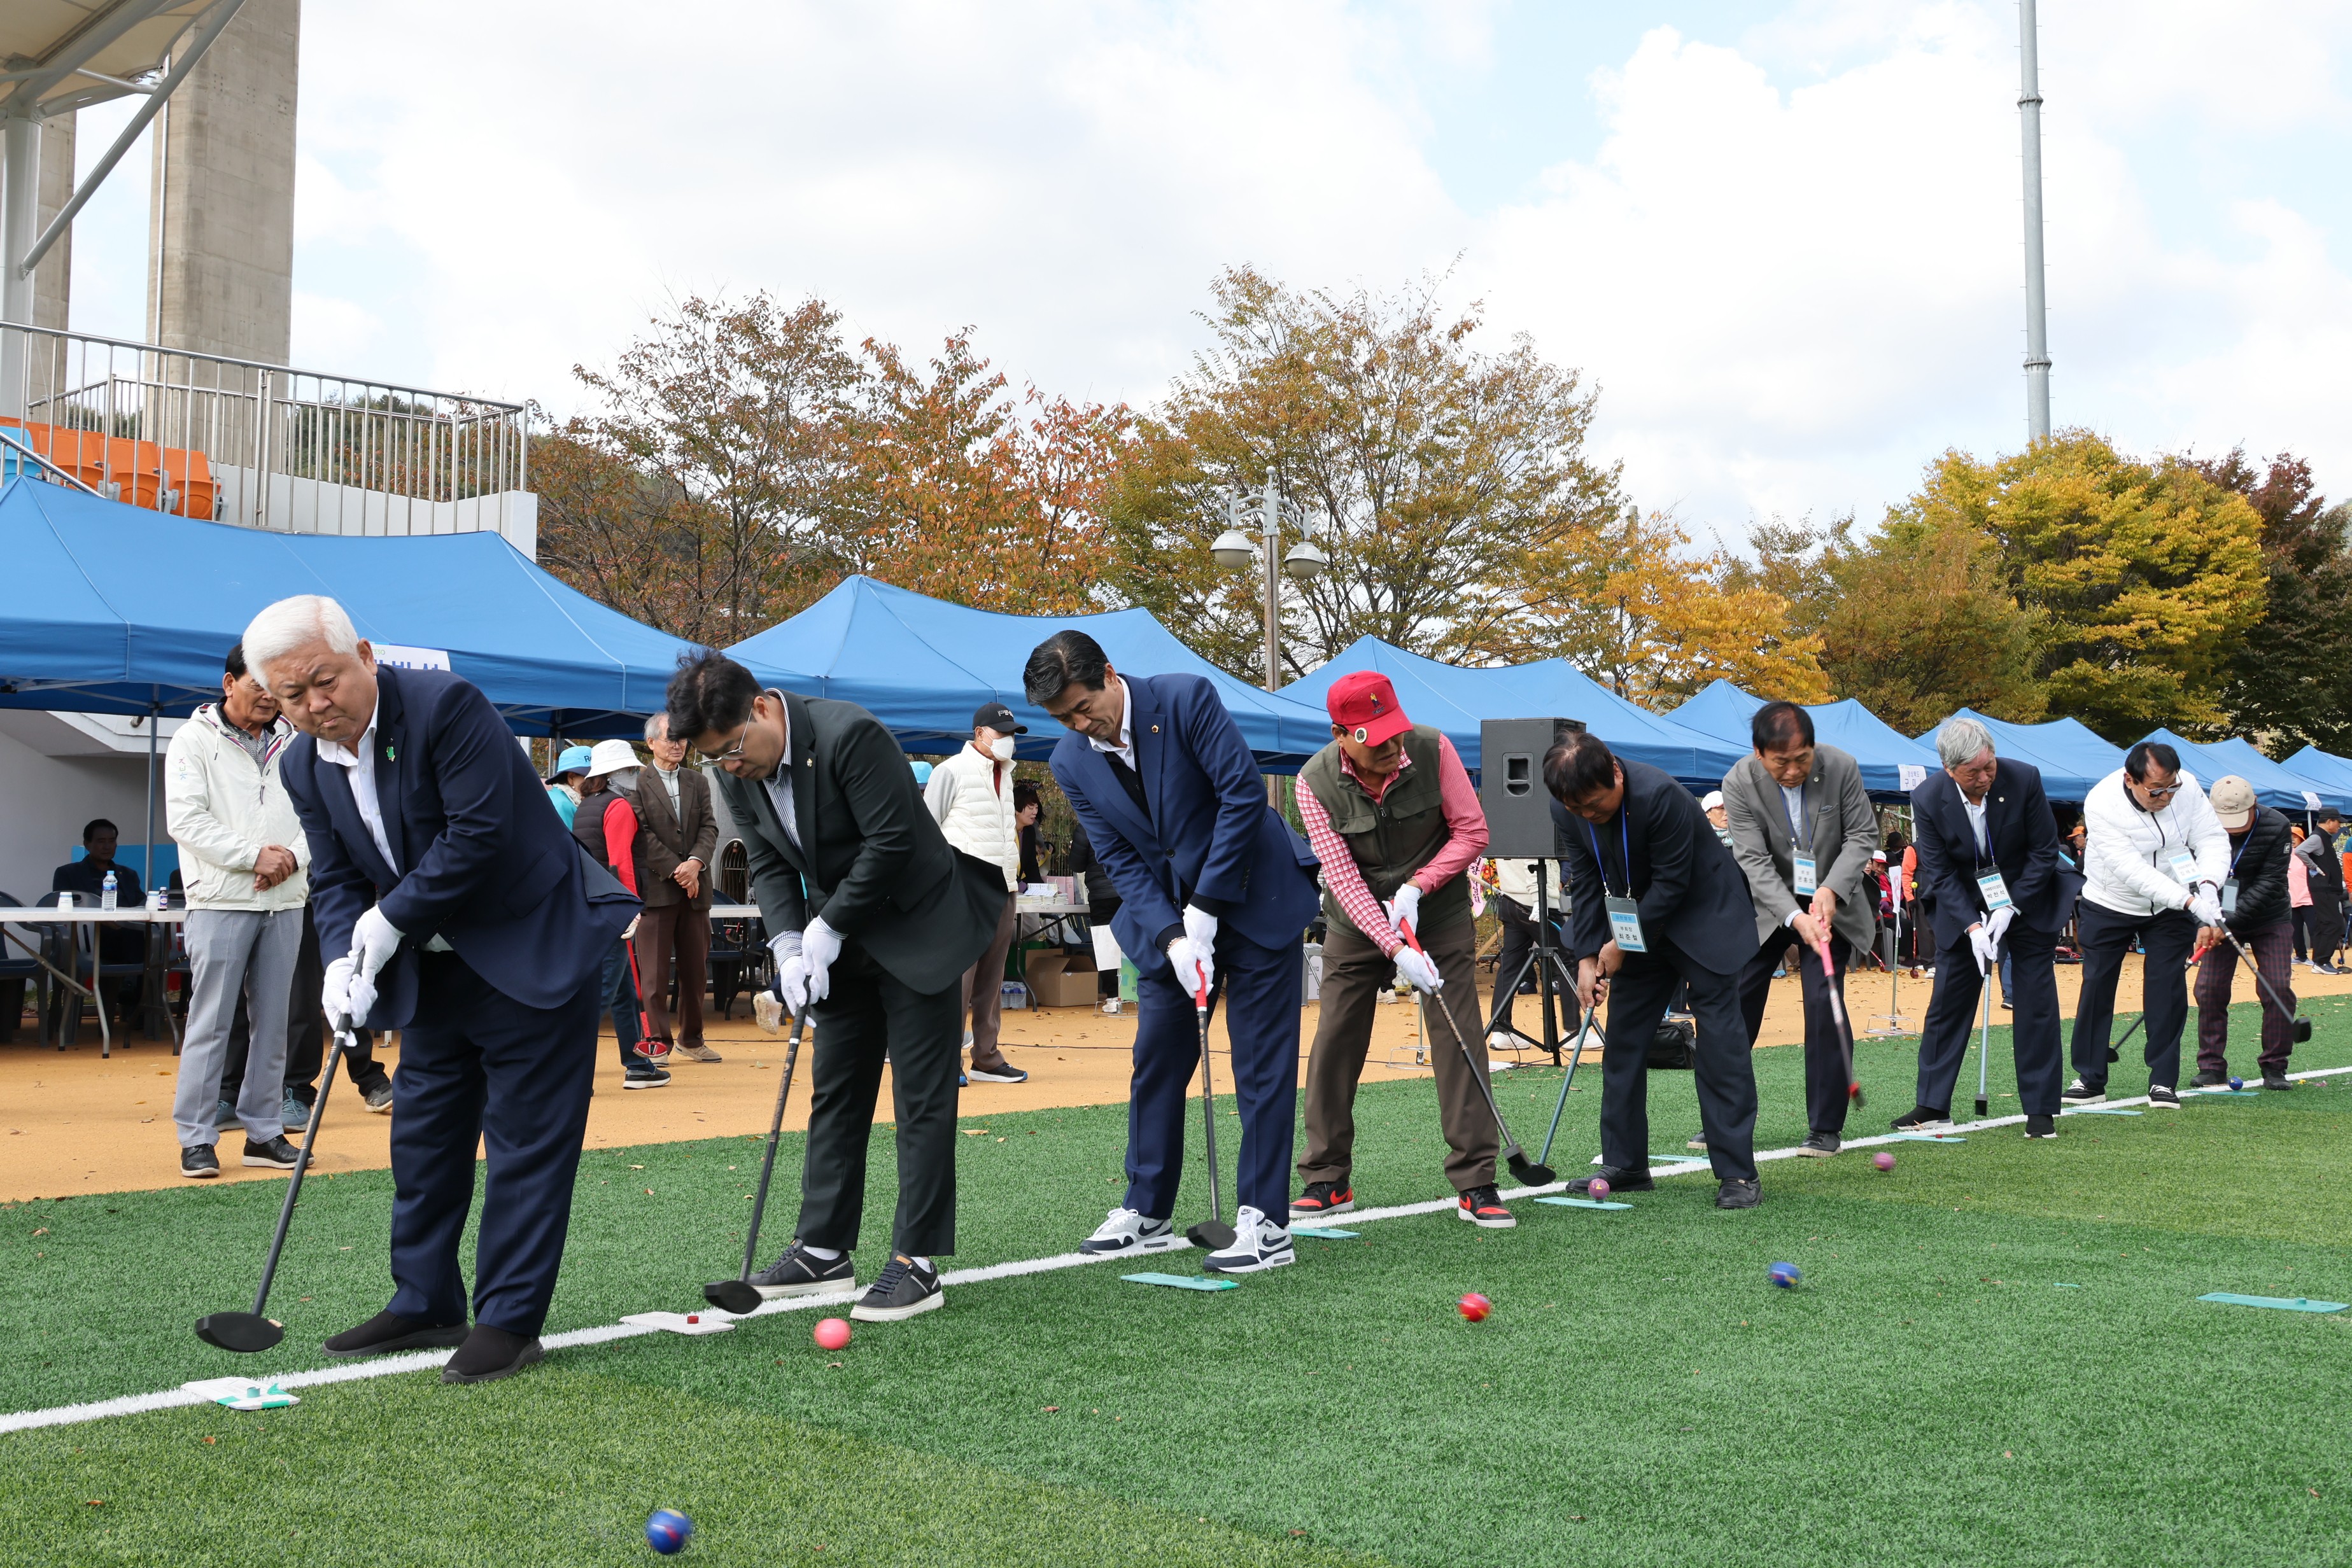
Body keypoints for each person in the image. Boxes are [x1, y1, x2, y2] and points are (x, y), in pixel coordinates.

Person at [257, 594, 638, 1383]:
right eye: (292, 697)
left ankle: (510, 1319)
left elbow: (477, 835)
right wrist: (341, 959)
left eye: (324, 681)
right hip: (434, 970)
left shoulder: (446, 707)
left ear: (363, 654)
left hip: (530, 945)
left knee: (527, 1141)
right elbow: (332, 876)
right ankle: (425, 1297)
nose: (315, 706)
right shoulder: (299, 761)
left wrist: (388, 921)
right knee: (424, 1137)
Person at [669, 651, 1005, 1322]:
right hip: (839, 938)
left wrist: (826, 926)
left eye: (734, 749)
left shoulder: (851, 734)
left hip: (919, 925)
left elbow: (892, 842)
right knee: (837, 1086)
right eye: (716, 760)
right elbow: (764, 858)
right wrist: (790, 944)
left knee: (922, 1093)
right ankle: (822, 1247)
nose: (732, 767)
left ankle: (919, 1258)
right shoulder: (736, 771)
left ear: (763, 707)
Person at [1026, 629, 1320, 1271]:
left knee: (1259, 1065)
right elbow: (1121, 859)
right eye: (1062, 719)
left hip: (1256, 901)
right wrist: (1173, 934)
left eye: (1082, 709)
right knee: (1157, 1060)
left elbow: (1242, 797)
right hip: (1167, 923)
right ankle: (1147, 1207)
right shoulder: (1070, 760)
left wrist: (1207, 908)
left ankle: (1265, 1223)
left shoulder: (1185, 700)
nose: (1080, 726)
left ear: (1108, 674)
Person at [1290, 673, 1503, 1224]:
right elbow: (1340, 876)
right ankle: (1326, 1177)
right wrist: (1392, 945)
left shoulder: (1432, 749)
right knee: (1335, 1037)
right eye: (1374, 738)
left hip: (1438, 911)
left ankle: (1477, 1180)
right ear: (1342, 735)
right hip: (1354, 922)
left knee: (1458, 1037)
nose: (1391, 747)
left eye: (1395, 733)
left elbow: (1471, 832)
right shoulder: (1311, 782)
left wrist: (1417, 886)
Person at [1547, 731, 1764, 1208]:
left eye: (1594, 804)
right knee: (1623, 1040)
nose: (1586, 815)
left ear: (1617, 774)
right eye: (1575, 808)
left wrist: (1619, 946)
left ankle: (1737, 1174)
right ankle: (1626, 1164)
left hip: (1702, 917)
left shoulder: (1661, 795)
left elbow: (1671, 884)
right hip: (1636, 923)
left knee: (1720, 1044)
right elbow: (1582, 880)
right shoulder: (1567, 807)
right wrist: (1585, 956)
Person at [162, 643, 313, 1179]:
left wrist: (292, 856)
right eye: (257, 687)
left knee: (275, 1025)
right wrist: (254, 856)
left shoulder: (299, 743)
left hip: (284, 899)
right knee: (212, 1022)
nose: (270, 698)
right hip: (221, 898)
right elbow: (185, 819)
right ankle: (197, 1138)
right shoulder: (191, 740)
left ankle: (264, 1131)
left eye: (276, 689)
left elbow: (321, 812)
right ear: (229, 684)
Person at [1720, 702, 1879, 1157]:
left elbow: (1861, 836)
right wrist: (1794, 915)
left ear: (1813, 748)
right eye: (1780, 762)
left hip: (1832, 904)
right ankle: (1724, 1117)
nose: (1792, 771)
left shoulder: (1841, 767)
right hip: (1766, 909)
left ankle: (1825, 1126)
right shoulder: (1737, 782)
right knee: (1732, 1002)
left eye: (1801, 759)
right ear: (1758, 753)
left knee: (1821, 999)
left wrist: (1829, 891)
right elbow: (1750, 859)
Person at [1903, 717, 2075, 1135]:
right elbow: (1939, 872)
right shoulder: (1926, 798)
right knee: (1947, 1000)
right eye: (1972, 773)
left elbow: (2041, 852)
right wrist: (1972, 928)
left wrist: (2009, 908)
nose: (1984, 778)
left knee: (2034, 1001)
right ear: (1948, 769)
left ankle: (2039, 1109)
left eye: (1989, 767)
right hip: (1962, 902)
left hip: (2025, 897)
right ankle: (1931, 1104)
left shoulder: (2023, 779)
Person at [2064, 740, 2229, 1110]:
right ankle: (2090, 1079)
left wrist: (2210, 887)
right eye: (2156, 790)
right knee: (2097, 986)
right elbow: (2131, 870)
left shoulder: (2185, 789)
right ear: (2130, 779)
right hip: (2112, 900)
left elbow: (2211, 839)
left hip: (2170, 907)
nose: (2166, 796)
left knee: (2168, 986)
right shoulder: (2102, 801)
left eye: (2172, 787)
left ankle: (2163, 1081)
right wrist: (2191, 901)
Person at [923, 701, 1032, 1085]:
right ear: (979, 733)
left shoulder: (1008, 776)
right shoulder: (950, 771)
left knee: (992, 979)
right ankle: (944, 1060)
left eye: (1013, 735)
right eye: (1002, 734)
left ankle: (986, 1057)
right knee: (959, 980)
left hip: (1003, 888)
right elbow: (926, 831)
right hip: (963, 890)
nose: (1008, 742)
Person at [572, 740, 670, 1089]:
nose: (634, 776)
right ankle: (564, 1068)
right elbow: (620, 862)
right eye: (629, 770)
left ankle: (637, 1064)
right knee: (601, 993)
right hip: (613, 909)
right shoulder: (618, 807)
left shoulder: (587, 805)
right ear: (613, 774)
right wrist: (628, 908)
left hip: (591, 906)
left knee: (623, 991)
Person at [2190, 777, 2297, 1092]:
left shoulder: (2277, 825)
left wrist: (2228, 921)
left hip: (2270, 917)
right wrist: (2204, 921)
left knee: (2276, 986)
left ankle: (2275, 1066)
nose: (2232, 828)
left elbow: (2270, 881)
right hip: (2214, 917)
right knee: (2209, 989)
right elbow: (2190, 877)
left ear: (2253, 806)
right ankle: (2211, 1066)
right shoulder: (2198, 825)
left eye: (2239, 820)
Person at [636, 713, 721, 1062]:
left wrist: (696, 864)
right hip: (657, 891)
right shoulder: (636, 784)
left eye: (683, 738)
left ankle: (692, 1039)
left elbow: (709, 828)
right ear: (651, 742)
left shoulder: (697, 782)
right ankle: (657, 1041)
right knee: (654, 974)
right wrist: (677, 869)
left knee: (695, 971)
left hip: (695, 889)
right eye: (670, 738)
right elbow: (642, 835)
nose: (678, 744)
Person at [50, 818, 148, 1032]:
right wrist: (101, 921)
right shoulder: (68, 873)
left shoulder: (127, 875)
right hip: (85, 939)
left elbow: (141, 904)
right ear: (87, 844)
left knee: (148, 938)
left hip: (126, 933)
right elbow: (62, 908)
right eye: (101, 841)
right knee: (137, 940)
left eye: (111, 841)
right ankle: (130, 989)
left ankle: (138, 1003)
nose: (107, 846)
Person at [2295, 809, 2346, 975]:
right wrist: (2315, 867)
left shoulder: (2323, 837)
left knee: (2327, 923)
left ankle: (2320, 961)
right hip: (2324, 888)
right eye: (2338, 822)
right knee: (2334, 924)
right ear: (2329, 821)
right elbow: (2299, 851)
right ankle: (2322, 961)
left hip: (2327, 888)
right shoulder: (2318, 837)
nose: (2340, 825)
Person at [544, 745, 593, 829]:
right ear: (571, 777)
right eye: (591, 778)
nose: (597, 783)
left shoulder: (555, 796)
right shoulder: (563, 805)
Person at [1015, 782, 1047, 886]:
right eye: (1031, 808)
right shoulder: (1004, 831)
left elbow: (1031, 866)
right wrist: (1022, 887)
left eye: (1036, 807)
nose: (1035, 812)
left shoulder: (1029, 832)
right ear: (1016, 809)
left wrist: (1043, 890)